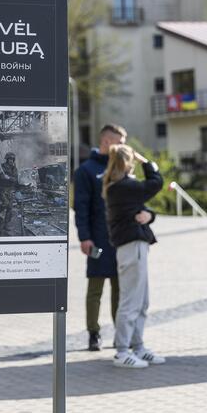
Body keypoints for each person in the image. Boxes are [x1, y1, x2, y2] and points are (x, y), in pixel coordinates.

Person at [103, 144, 164, 368]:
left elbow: (139, 209)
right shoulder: (123, 186)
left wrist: (149, 215)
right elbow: (156, 183)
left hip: (134, 246)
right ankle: (122, 351)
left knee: (142, 300)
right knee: (130, 301)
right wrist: (146, 161)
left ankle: (137, 347)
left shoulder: (118, 187)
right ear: (127, 163)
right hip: (131, 247)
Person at [73, 124, 126, 351]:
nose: (124, 146)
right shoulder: (86, 170)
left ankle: (120, 333)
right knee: (96, 287)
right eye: (120, 142)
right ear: (106, 142)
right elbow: (81, 207)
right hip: (97, 241)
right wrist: (85, 237)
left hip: (121, 240)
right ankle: (93, 333)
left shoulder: (122, 168)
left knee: (120, 288)